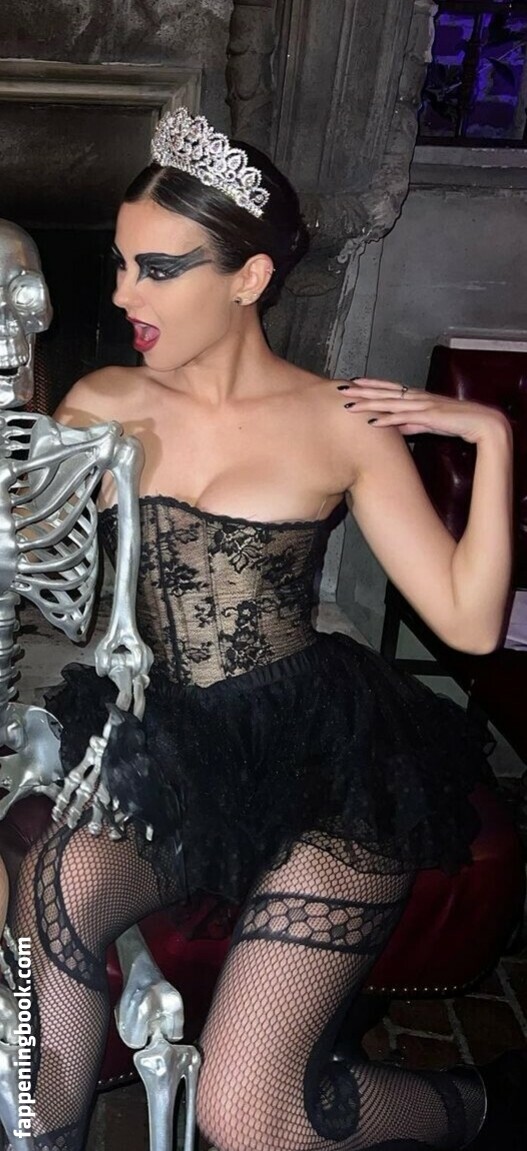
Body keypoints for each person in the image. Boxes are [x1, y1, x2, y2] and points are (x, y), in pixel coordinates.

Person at [5, 107, 521, 1151]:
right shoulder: (101, 400)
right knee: (53, 905)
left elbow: (468, 625)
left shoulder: (341, 421)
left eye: (158, 269)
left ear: (247, 278)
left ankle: (481, 1104)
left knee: (249, 1114)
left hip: (327, 759)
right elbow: (21, 552)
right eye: (119, 264)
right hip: (165, 742)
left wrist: (492, 433)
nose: (122, 294)